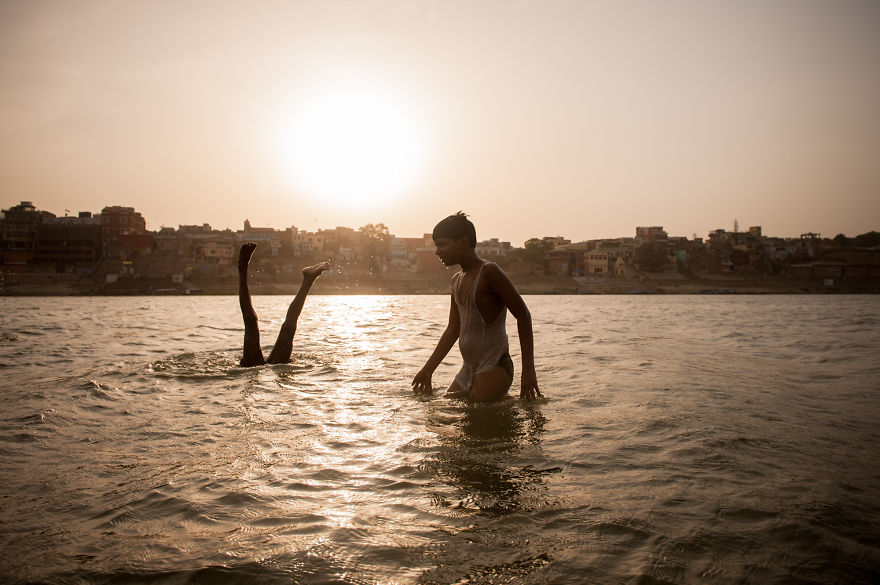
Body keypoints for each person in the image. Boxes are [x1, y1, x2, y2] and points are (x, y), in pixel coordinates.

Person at [412, 212, 542, 401]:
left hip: (495, 365)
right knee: (444, 409)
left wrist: (528, 371)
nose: (437, 251)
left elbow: (523, 315)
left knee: (477, 413)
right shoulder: (456, 281)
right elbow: (452, 330)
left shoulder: (489, 272)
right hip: (468, 369)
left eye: (442, 244)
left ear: (463, 242)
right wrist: (428, 369)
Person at [237, 242, 328, 367]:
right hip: (252, 365)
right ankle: (243, 269)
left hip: (252, 365)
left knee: (288, 329)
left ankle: (309, 278)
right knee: (251, 320)